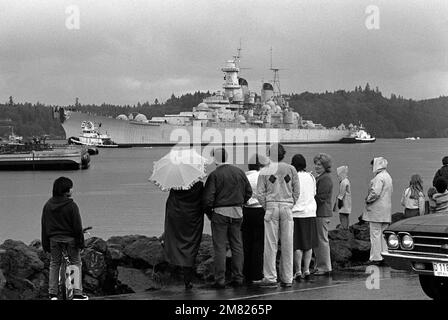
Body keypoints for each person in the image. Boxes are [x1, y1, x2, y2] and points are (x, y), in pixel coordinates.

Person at [203, 148, 252, 289]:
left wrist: (210, 214)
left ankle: (220, 280)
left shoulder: (214, 175)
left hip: (220, 213)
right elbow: (249, 192)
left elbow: (207, 200)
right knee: (237, 246)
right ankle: (238, 277)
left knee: (220, 248)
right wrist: (240, 203)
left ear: (215, 159)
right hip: (237, 213)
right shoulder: (239, 172)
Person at [257, 143, 300, 288]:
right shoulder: (291, 169)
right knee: (288, 244)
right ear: (283, 154)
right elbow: (296, 191)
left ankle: (270, 277)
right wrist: (291, 203)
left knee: (270, 244)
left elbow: (260, 193)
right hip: (287, 207)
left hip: (271, 207)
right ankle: (287, 278)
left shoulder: (265, 170)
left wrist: (266, 206)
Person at [41, 177, 88, 300]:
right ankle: (77, 293)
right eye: (70, 188)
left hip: (54, 240)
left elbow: (44, 225)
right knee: (76, 263)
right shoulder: (71, 205)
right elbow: (77, 226)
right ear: (66, 191)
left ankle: (53, 294)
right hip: (70, 239)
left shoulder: (48, 205)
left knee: (54, 264)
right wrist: (81, 243)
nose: (72, 190)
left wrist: (45, 244)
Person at [162, 180, 204, 290]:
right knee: (191, 245)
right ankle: (187, 279)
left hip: (176, 216)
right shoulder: (198, 184)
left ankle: (174, 266)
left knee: (175, 241)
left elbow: (170, 201)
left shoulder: (175, 184)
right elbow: (204, 201)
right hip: (193, 218)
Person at [291, 154, 318, 281]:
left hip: (296, 213)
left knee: (297, 244)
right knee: (308, 244)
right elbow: (314, 193)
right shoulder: (311, 177)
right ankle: (307, 269)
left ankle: (298, 271)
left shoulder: (292, 177)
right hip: (310, 212)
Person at [362, 157, 393, 266]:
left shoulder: (378, 178)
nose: (371, 167)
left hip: (377, 211)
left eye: (372, 165)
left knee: (375, 234)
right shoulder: (388, 176)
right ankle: (385, 255)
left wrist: (367, 199)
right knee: (384, 234)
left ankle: (376, 257)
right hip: (386, 210)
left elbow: (375, 193)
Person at [242, 154, 267, 285]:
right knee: (259, 243)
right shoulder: (262, 177)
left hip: (246, 210)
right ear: (259, 165)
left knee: (246, 242)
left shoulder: (244, 177)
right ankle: (257, 274)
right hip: (260, 210)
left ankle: (246, 273)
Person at [312, 153, 334, 276]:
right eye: (316, 164)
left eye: (319, 164)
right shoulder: (321, 177)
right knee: (319, 240)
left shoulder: (325, 178)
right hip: (320, 213)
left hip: (321, 213)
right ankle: (319, 265)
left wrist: (309, 204)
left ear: (325, 166)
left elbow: (321, 198)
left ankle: (324, 267)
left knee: (322, 240)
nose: (316, 166)